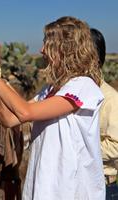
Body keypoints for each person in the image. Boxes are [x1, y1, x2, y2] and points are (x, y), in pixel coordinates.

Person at [0, 16, 105, 199]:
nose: (41, 49)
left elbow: (25, 112)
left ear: (65, 48)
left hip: (70, 189)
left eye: (47, 43)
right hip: (45, 185)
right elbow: (10, 119)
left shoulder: (83, 86)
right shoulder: (50, 90)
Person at [91, 28, 118, 200]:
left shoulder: (110, 99)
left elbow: (116, 146)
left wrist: (77, 149)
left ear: (94, 59)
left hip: (104, 188)